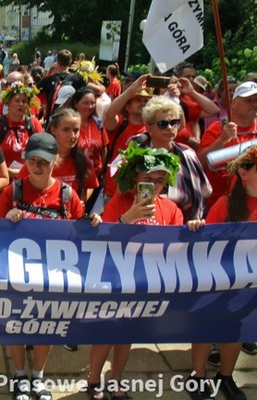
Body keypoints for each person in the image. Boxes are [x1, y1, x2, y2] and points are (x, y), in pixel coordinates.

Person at [0, 132, 101, 400]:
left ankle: (39, 377)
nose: (37, 166)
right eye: (32, 160)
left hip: (53, 274)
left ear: (56, 161)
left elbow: (81, 232)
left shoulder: (67, 195)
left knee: (46, 324)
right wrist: (7, 218)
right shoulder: (13, 190)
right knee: (16, 323)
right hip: (17, 273)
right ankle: (20, 375)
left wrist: (94, 221)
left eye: (43, 160)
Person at [88, 141, 182, 400]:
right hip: (117, 279)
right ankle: (94, 379)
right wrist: (128, 217)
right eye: (148, 179)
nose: (155, 185)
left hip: (146, 282)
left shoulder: (171, 208)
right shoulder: (121, 201)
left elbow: (177, 245)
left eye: (160, 180)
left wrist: (193, 228)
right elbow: (103, 240)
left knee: (127, 334)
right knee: (106, 332)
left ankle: (116, 379)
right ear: (135, 180)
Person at [185, 146, 257, 400]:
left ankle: (225, 376)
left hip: (250, 285)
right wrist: (198, 227)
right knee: (207, 327)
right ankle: (197, 375)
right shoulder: (226, 204)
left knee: (238, 330)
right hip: (221, 279)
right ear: (244, 173)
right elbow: (207, 241)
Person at [130, 95, 211, 222]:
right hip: (138, 222)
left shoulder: (188, 155)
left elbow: (202, 194)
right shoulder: (135, 149)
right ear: (149, 127)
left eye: (174, 122)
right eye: (163, 124)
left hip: (179, 227)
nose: (170, 128)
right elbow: (121, 190)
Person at [198, 81, 257, 208]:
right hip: (221, 206)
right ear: (234, 104)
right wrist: (222, 140)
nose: (254, 104)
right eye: (249, 100)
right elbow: (200, 163)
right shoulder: (217, 129)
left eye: (256, 100)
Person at [0, 81, 43, 179]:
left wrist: (24, 171)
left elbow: (41, 152)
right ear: (8, 103)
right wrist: (8, 171)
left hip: (29, 178)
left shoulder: (34, 124)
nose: (21, 104)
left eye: (24, 101)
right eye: (17, 100)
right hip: (3, 179)